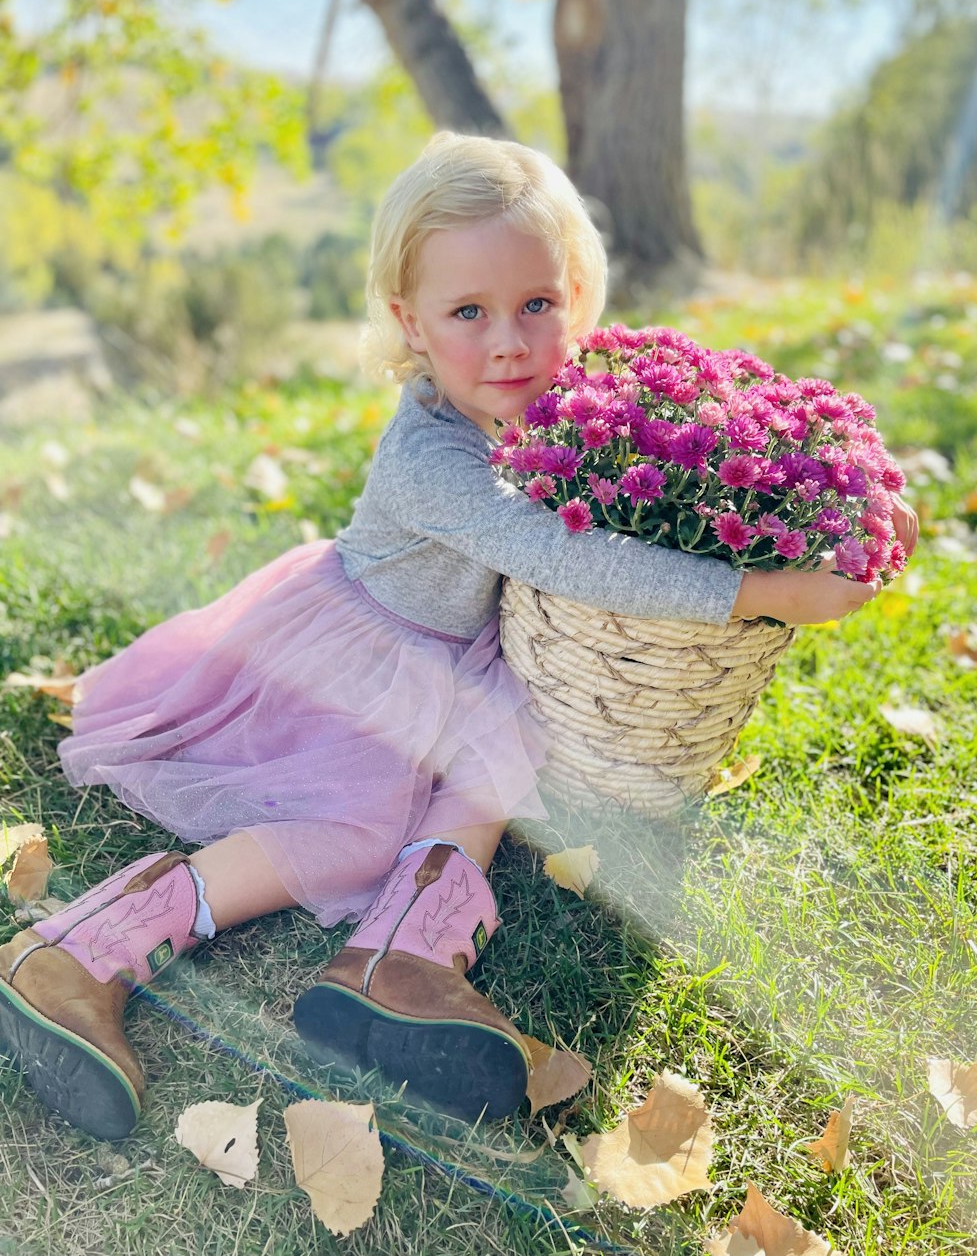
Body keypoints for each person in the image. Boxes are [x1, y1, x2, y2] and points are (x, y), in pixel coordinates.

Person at [0, 133, 918, 1141]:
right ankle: (80, 948)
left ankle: (404, 958)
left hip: (464, 662)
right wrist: (758, 588)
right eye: (466, 313)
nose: (509, 343)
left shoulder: (575, 400)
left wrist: (843, 516)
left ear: (576, 292)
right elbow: (570, 558)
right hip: (359, 658)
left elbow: (719, 435)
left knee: (494, 760)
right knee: (355, 827)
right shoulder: (431, 453)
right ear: (410, 323)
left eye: (537, 303)